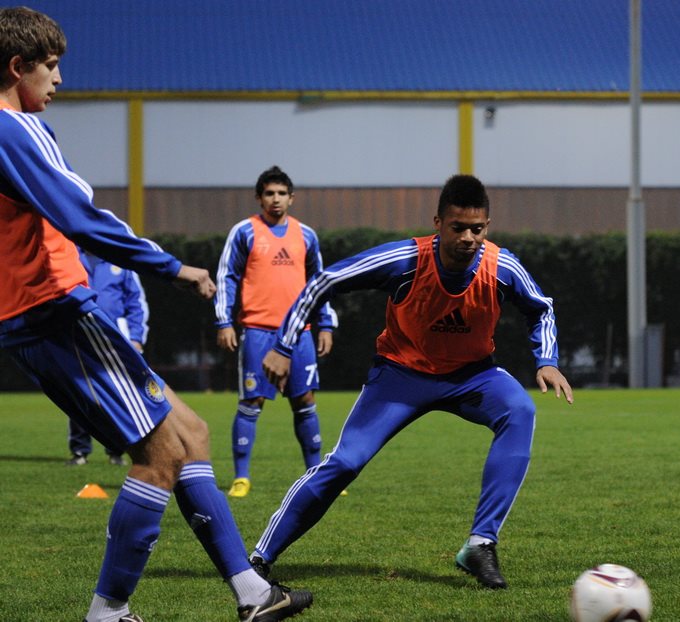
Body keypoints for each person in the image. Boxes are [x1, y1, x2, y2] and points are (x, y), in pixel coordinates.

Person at [0, 7, 311, 621]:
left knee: (191, 434)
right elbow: (82, 217)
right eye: (51, 66)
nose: (59, 79)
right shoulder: (15, 129)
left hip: (46, 314)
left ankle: (253, 594)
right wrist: (173, 267)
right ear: (17, 66)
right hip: (54, 313)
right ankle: (109, 612)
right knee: (161, 456)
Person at [250, 173, 574, 590]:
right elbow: (324, 282)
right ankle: (260, 558)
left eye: (477, 229)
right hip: (401, 377)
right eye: (458, 228)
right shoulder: (405, 260)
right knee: (345, 462)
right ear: (438, 223)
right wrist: (284, 345)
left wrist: (547, 361)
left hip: (471, 376)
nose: (468, 238)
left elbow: (541, 308)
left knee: (520, 409)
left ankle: (481, 544)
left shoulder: (501, 266)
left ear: (487, 227)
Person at [215, 165, 338, 498]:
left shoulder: (306, 236)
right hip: (258, 331)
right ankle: (241, 478)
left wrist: (326, 324)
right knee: (251, 401)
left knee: (305, 400)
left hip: (299, 333)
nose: (276, 199)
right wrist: (224, 321)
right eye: (269, 193)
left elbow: (320, 284)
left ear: (291, 198)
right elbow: (227, 277)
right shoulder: (244, 232)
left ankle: (315, 475)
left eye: (282, 193)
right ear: (259, 198)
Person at [65, 249, 150, 467]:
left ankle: (116, 450)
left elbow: (136, 302)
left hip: (115, 340)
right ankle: (79, 451)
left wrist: (136, 337)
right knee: (80, 394)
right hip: (79, 336)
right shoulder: (69, 255)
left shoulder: (118, 257)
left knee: (117, 395)